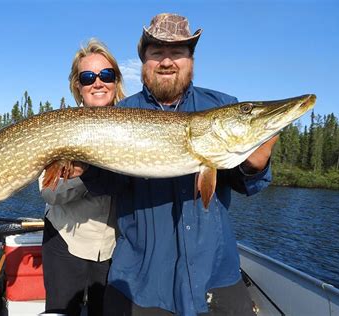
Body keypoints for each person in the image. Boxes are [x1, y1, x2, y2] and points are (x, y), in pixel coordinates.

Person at [72, 13, 279, 315]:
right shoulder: (118, 114)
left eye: (178, 52)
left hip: (216, 275)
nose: (167, 61)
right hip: (141, 281)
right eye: (157, 53)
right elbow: (110, 184)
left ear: (190, 60)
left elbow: (245, 185)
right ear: (144, 61)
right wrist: (86, 169)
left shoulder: (222, 105)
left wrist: (254, 167)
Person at [39, 39, 125, 316]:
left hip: (114, 247)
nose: (97, 83)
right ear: (78, 86)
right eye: (88, 77)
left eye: (106, 75)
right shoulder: (60, 127)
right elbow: (49, 193)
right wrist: (83, 176)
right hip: (65, 241)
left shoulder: (132, 123)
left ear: (116, 81)